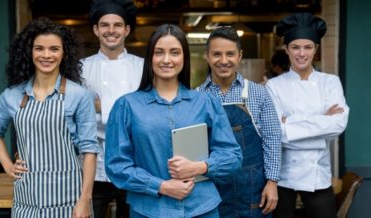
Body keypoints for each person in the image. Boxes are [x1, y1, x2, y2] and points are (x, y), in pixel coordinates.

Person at [104, 24, 243, 218]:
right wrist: (161, 186)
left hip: (202, 208)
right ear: (150, 58)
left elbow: (232, 156)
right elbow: (116, 166)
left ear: (184, 58)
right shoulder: (126, 106)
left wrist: (200, 167)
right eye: (159, 52)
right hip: (149, 210)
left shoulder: (205, 102)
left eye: (175, 52)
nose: (167, 60)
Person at [0, 17, 99, 218]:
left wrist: (84, 201)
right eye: (39, 48)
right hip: (25, 202)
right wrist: (8, 165)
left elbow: (89, 150)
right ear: (29, 52)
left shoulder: (80, 95)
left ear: (64, 53)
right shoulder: (12, 95)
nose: (46, 55)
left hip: (69, 201)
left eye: (54, 49)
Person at [266, 13, 349, 218]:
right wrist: (322, 125)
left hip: (318, 177)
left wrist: (290, 123)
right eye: (295, 47)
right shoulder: (274, 86)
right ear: (286, 49)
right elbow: (276, 133)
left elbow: (338, 125)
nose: (301, 53)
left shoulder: (330, 82)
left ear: (316, 49)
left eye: (308, 47)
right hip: (284, 179)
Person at [197, 26, 282, 218]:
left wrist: (272, 182)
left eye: (230, 54)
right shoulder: (196, 97)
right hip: (212, 188)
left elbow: (272, 138)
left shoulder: (258, 93)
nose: (224, 60)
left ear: (240, 55)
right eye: (217, 54)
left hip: (253, 188)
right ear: (207, 56)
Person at [81, 0, 143, 217]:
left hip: (134, 163)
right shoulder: (80, 69)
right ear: (96, 30)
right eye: (105, 25)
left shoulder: (143, 67)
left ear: (127, 30)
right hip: (93, 165)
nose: (111, 30)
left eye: (117, 25)